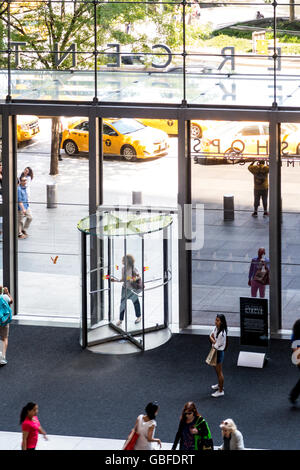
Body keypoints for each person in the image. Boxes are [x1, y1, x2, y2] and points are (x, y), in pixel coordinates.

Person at [112, 254, 141, 327]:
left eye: (124, 260)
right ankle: (120, 319)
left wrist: (132, 279)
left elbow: (139, 276)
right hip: (124, 288)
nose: (123, 261)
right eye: (123, 260)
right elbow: (123, 279)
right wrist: (115, 280)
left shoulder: (133, 268)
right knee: (122, 304)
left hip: (132, 289)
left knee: (135, 302)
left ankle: (138, 317)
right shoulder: (123, 269)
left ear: (128, 261)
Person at [209, 314, 228, 397]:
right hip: (215, 351)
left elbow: (215, 344)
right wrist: (212, 339)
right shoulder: (216, 328)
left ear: (222, 322)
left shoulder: (222, 334)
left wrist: (212, 339)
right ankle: (219, 385)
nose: (215, 322)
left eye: (218, 320)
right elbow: (211, 334)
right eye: (215, 320)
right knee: (216, 371)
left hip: (218, 353)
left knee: (219, 372)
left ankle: (220, 391)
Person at [0, 286, 13, 366]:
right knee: (4, 338)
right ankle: (2, 358)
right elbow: (11, 301)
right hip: (4, 320)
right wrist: (7, 293)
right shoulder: (4, 297)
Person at [289, 319, 300, 405]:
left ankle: (293, 395)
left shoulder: (294, 336)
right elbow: (296, 352)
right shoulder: (295, 339)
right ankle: (293, 395)